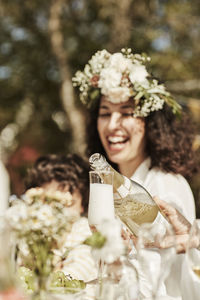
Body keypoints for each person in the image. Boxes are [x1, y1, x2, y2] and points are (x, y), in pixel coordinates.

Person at [72, 48, 199, 298]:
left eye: (127, 113)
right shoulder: (103, 188)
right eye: (105, 113)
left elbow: (160, 283)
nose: (112, 125)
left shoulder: (166, 184)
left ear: (150, 122)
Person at [24, 153, 97, 283]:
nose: (57, 211)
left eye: (67, 203)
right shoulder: (31, 233)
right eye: (47, 201)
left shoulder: (82, 230)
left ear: (82, 205)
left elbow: (79, 271)